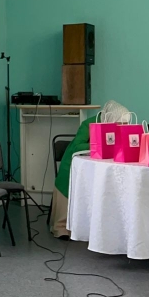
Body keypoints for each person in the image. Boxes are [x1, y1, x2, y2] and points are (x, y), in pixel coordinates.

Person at [50, 100, 131, 238]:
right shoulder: (89, 124)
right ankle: (62, 227)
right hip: (74, 164)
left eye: (125, 124)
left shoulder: (119, 126)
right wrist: (100, 144)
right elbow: (77, 146)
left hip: (101, 165)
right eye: (120, 123)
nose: (122, 127)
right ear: (112, 118)